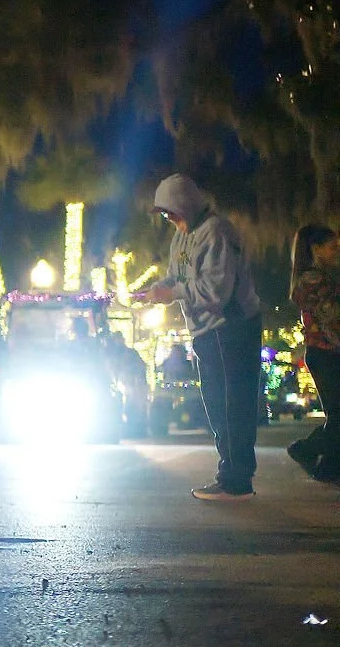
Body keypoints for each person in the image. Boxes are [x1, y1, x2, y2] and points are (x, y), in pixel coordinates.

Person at [136, 175, 262, 501]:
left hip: (230, 328)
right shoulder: (183, 237)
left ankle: (236, 480)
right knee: (217, 405)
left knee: (231, 405)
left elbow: (215, 292)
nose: (169, 220)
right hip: (207, 332)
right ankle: (231, 476)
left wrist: (171, 293)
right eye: (165, 216)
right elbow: (176, 277)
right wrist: (155, 291)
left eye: (171, 213)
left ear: (186, 205)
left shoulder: (217, 232)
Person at [286, 223, 340, 482]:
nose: (336, 251)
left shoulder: (315, 279)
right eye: (332, 247)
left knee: (336, 413)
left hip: (324, 352)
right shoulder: (316, 280)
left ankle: (329, 467)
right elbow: (331, 318)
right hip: (326, 351)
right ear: (316, 249)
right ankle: (305, 448)